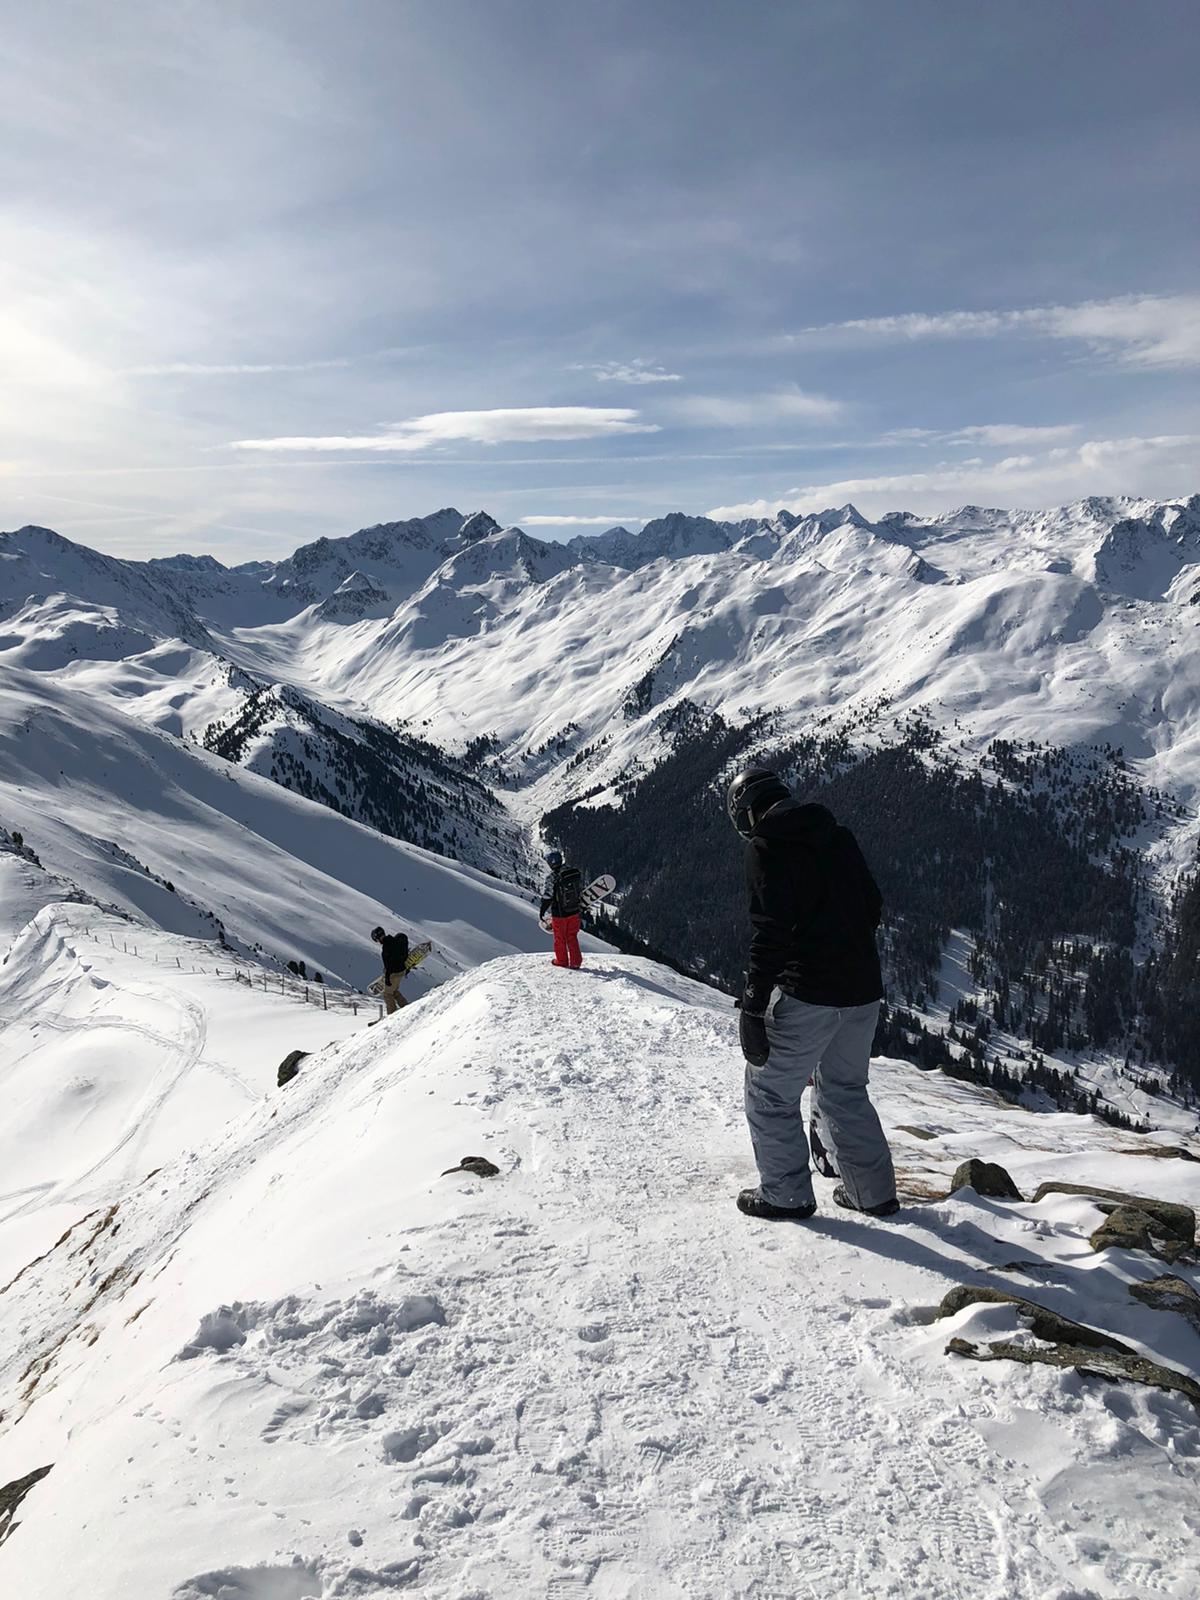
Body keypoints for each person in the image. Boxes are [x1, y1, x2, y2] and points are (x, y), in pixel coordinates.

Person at [727, 768, 899, 1222]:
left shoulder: (766, 847)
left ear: (747, 813)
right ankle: (873, 1194)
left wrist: (754, 1004)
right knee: (845, 1090)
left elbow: (770, 933)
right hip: (863, 989)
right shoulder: (838, 836)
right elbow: (873, 905)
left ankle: (786, 1196)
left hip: (808, 993)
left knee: (769, 1093)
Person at [539, 850, 584, 969]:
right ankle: (576, 962)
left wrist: (542, 911)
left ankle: (562, 961)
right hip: (574, 910)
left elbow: (548, 896)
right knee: (572, 936)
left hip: (559, 914)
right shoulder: (572, 871)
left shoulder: (552, 877)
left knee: (560, 938)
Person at [371, 924, 410, 1013]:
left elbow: (389, 965)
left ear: (378, 938)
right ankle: (406, 1008)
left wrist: (387, 978)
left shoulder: (386, 948)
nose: (378, 942)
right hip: (402, 971)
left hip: (394, 973)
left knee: (387, 994)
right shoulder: (395, 940)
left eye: (377, 940)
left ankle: (392, 1014)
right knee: (394, 991)